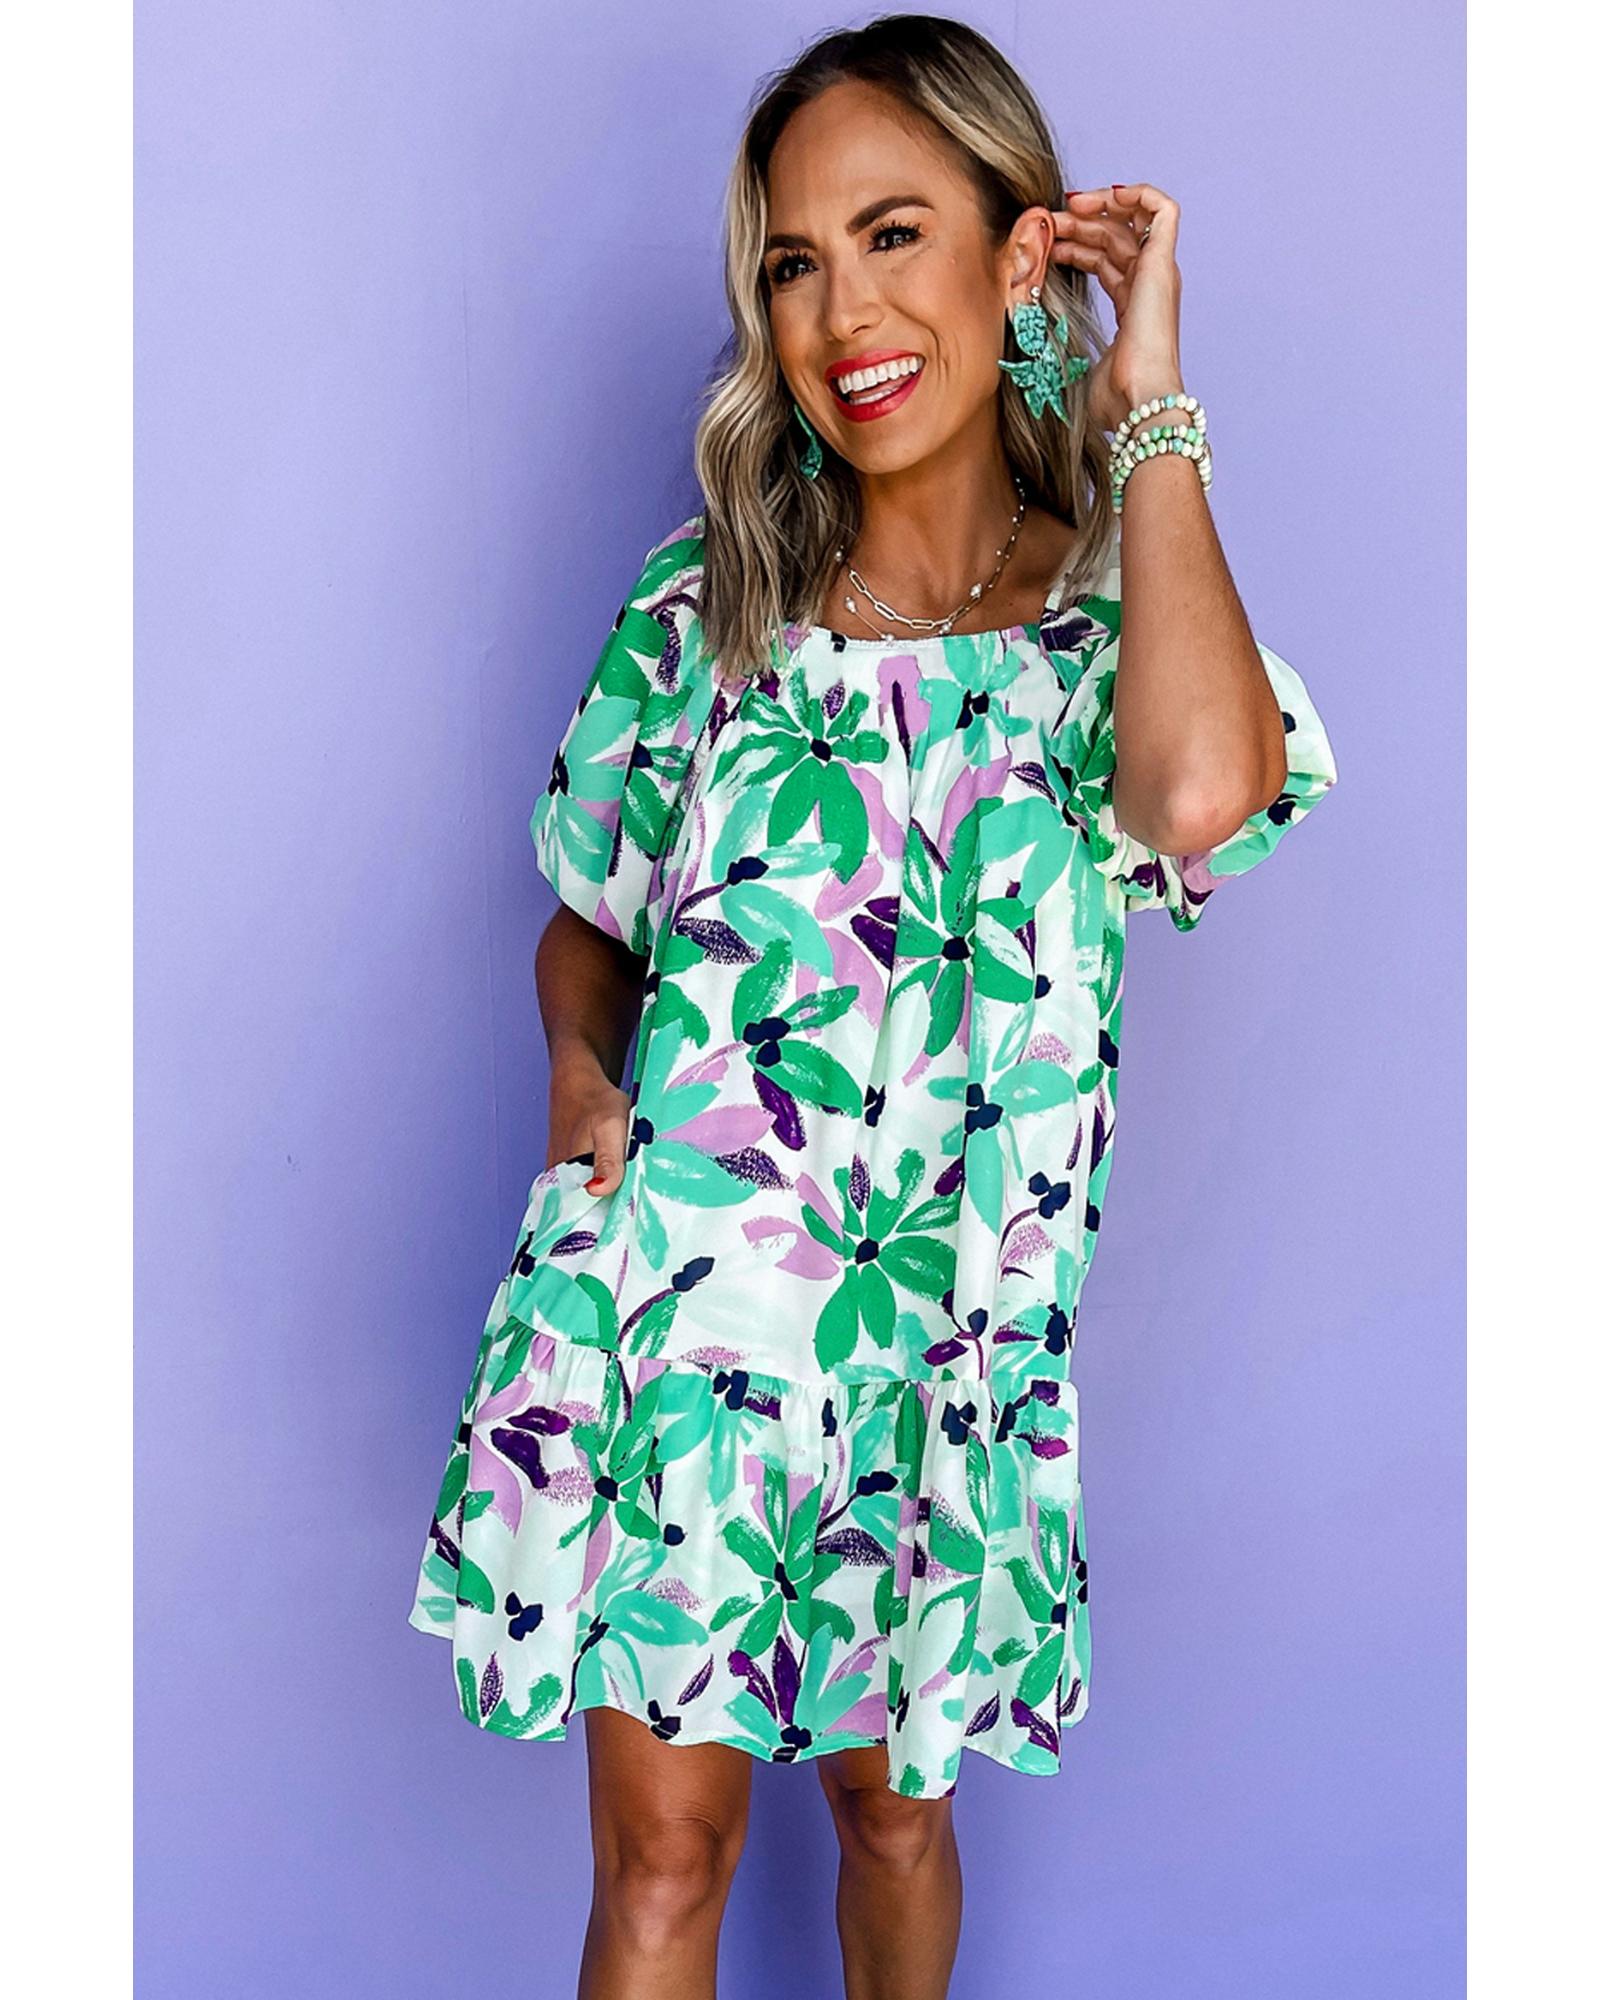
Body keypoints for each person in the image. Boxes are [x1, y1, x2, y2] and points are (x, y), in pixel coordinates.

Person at [408, 14, 1338, 1997]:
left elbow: (1198, 795)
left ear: (1019, 252)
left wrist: (1145, 398)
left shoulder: (1112, 630)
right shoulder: (707, 610)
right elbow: (588, 918)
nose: (842, 314)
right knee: (664, 1864)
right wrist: (575, 1072)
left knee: (893, 1820)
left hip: (942, 1333)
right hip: (685, 1312)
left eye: (895, 233)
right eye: (792, 262)